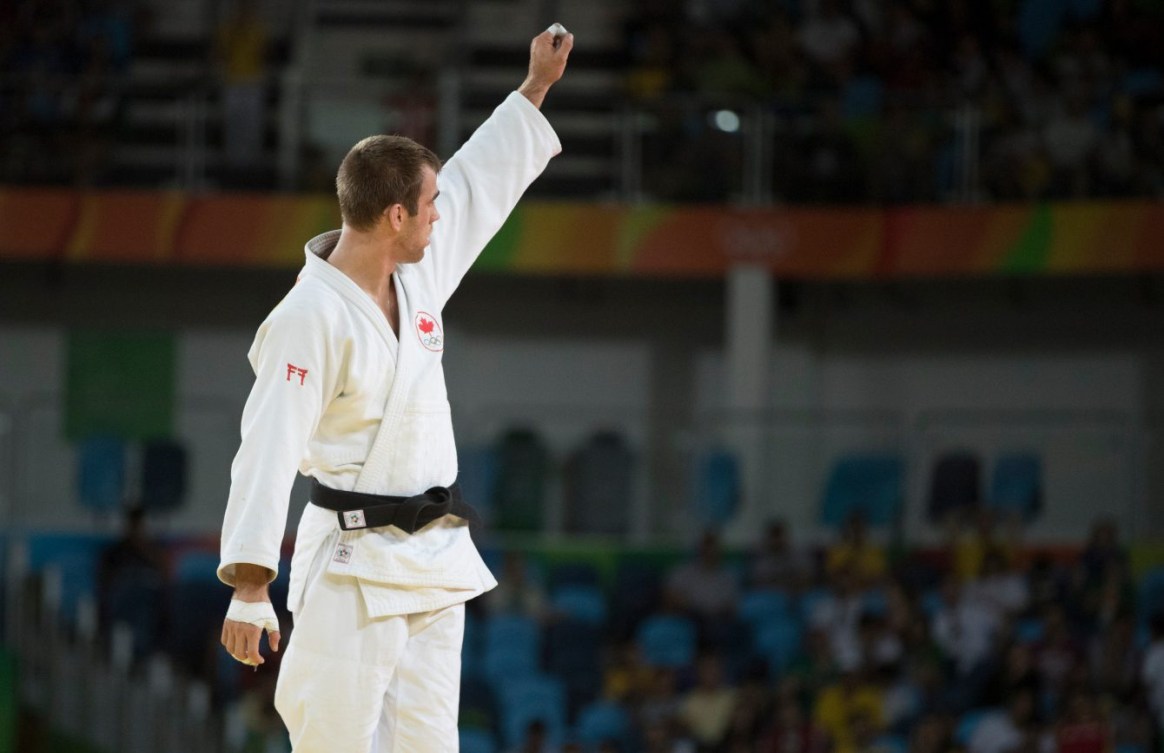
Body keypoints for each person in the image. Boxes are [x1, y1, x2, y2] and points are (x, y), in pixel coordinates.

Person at [216, 26, 573, 752]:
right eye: (429, 205)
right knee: (334, 743)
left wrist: (534, 88)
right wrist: (251, 584)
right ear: (395, 216)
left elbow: (476, 189)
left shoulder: (415, 279)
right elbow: (268, 448)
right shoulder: (308, 319)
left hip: (433, 557)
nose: (443, 214)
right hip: (351, 563)